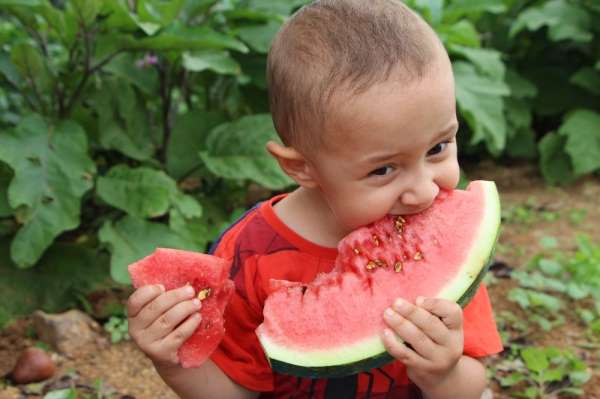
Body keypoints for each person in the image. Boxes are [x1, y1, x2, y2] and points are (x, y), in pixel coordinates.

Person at [126, 1, 503, 398]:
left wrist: (443, 376)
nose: (426, 190)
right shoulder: (251, 256)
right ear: (301, 168)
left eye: (439, 147)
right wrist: (173, 363)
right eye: (384, 170)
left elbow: (471, 384)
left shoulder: (438, 242)